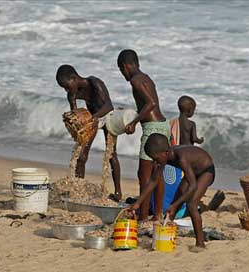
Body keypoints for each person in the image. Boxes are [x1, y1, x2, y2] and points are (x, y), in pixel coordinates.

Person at [131, 133, 215, 251]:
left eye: (156, 159)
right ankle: (167, 233)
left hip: (206, 171)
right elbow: (154, 180)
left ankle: (200, 243)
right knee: (177, 198)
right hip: (192, 172)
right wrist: (138, 203)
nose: (155, 162)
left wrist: (174, 204)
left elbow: (193, 186)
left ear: (165, 153)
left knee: (191, 205)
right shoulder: (164, 157)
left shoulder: (181, 158)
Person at [56, 64, 122, 201]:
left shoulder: (94, 83)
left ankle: (118, 192)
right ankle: (78, 188)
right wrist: (76, 124)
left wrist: (94, 118)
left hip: (107, 116)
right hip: (92, 119)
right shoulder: (72, 94)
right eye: (64, 88)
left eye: (67, 86)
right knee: (81, 155)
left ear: (74, 78)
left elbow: (109, 105)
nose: (66, 90)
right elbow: (75, 115)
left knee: (111, 154)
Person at [117, 49, 169, 221]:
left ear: (125, 66)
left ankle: (144, 216)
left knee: (144, 175)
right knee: (157, 173)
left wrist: (134, 122)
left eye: (121, 70)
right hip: (163, 125)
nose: (122, 74)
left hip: (152, 129)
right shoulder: (145, 77)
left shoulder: (135, 80)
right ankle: (158, 215)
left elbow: (151, 103)